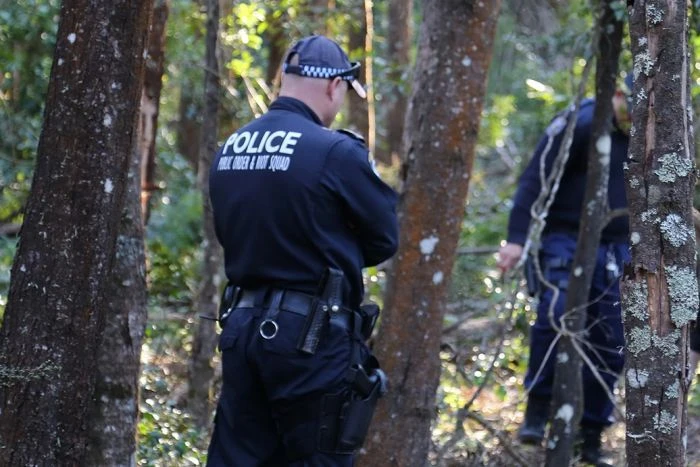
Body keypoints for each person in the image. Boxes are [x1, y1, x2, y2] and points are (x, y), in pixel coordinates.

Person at [206, 35, 399, 466]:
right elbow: (385, 237)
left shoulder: (231, 148)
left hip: (240, 329)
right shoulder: (335, 152)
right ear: (334, 85)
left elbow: (229, 230)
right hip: (311, 339)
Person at [497, 75, 632, 466]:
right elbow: (534, 179)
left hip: (618, 246)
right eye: (632, 106)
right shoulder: (582, 123)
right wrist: (516, 239)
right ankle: (537, 412)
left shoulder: (655, 132)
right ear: (618, 95)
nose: (637, 116)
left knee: (612, 337)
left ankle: (591, 434)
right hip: (567, 237)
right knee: (555, 317)